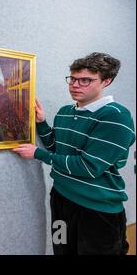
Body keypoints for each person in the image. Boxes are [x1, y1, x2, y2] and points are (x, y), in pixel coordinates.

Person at [12, 53, 136, 255]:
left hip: (97, 211)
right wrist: (42, 123)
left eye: (85, 80)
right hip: (61, 199)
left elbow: (89, 167)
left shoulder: (116, 117)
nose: (75, 85)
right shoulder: (64, 111)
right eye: (73, 79)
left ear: (107, 81)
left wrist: (38, 154)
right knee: (61, 250)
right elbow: (56, 148)